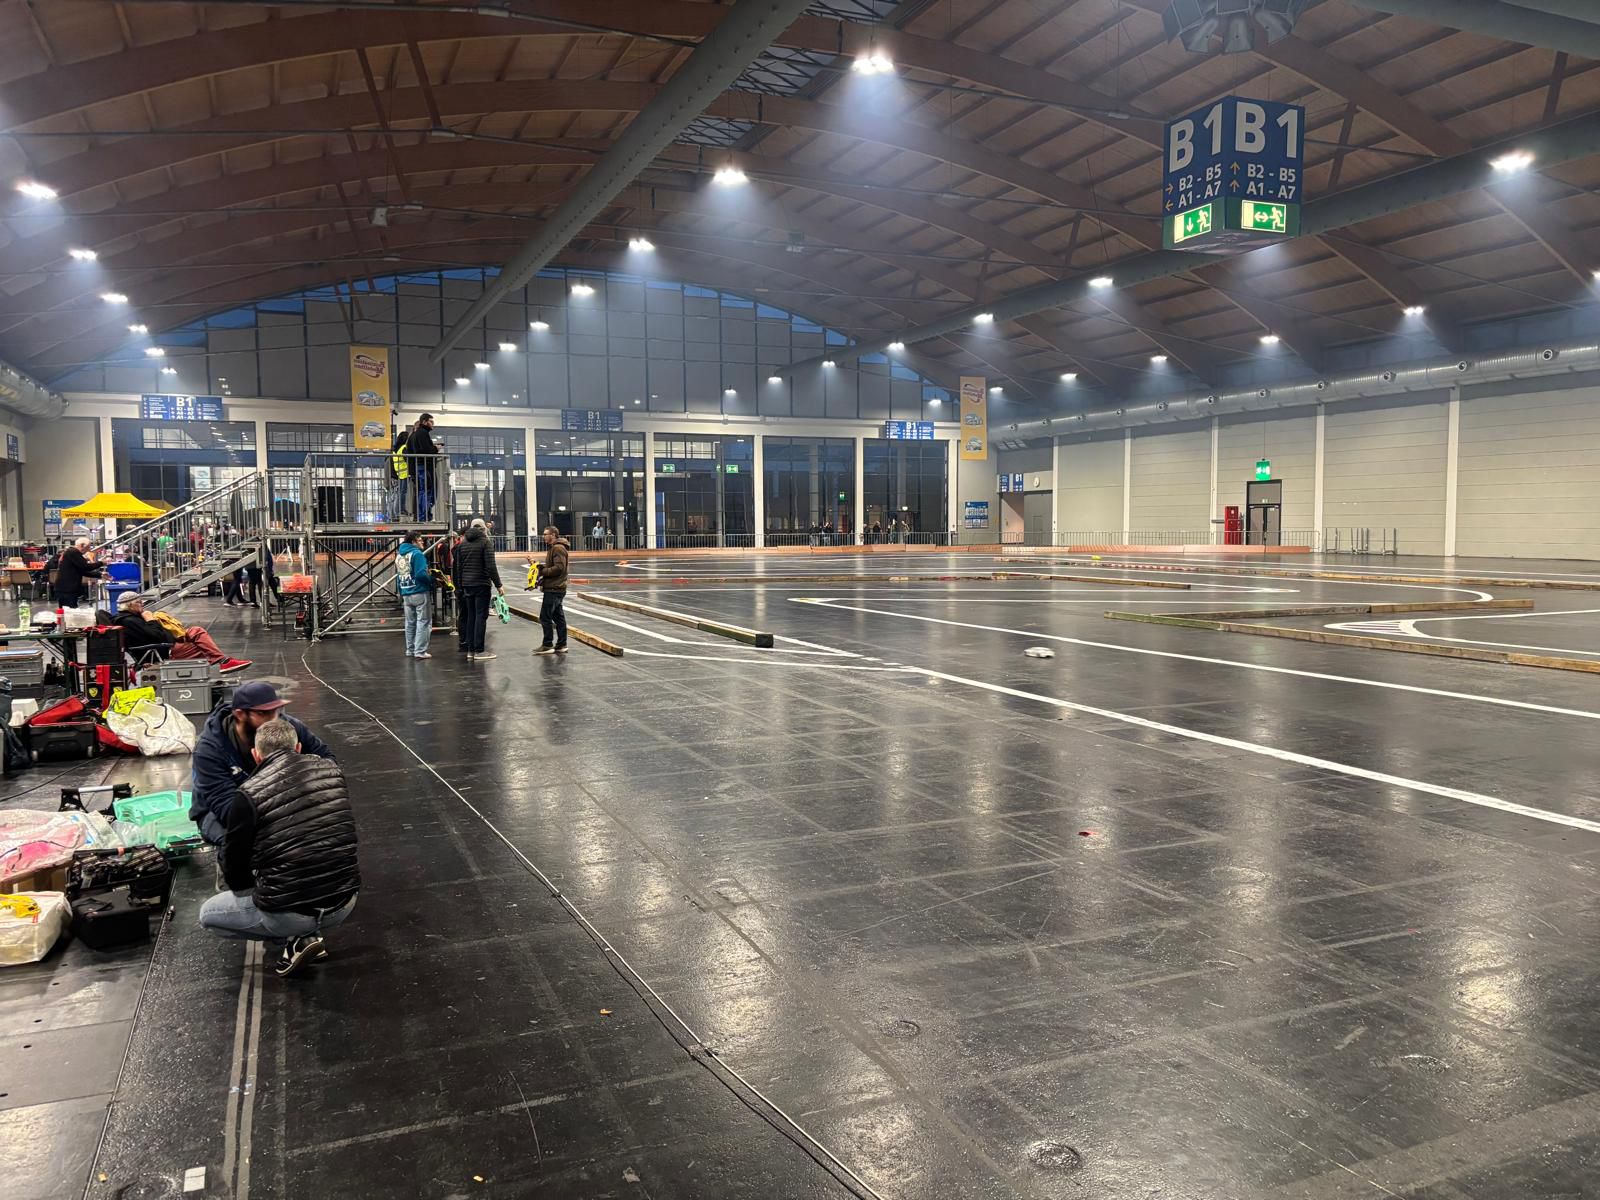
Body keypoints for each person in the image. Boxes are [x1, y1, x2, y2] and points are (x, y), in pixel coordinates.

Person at [197, 716, 359, 978]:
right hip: (343, 903)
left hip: (291, 913)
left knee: (208, 915)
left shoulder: (248, 793)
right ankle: (306, 934)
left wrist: (258, 883)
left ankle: (293, 936)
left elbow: (234, 869)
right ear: (298, 748)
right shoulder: (332, 771)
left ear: (256, 755)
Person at [191, 681, 335, 848]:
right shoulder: (210, 750)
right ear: (240, 714)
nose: (273, 719)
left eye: (275, 711)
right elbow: (227, 810)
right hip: (221, 811)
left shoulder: (288, 727)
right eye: (263, 713)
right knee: (240, 842)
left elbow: (327, 762)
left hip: (278, 802)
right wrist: (279, 825)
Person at [112, 597, 251, 672]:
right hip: (165, 650)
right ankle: (223, 661)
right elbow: (157, 636)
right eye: (138, 602)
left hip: (167, 644)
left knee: (197, 631)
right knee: (204, 647)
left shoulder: (130, 618)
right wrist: (151, 620)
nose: (142, 604)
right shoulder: (130, 621)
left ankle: (223, 661)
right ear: (129, 605)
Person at [451, 517, 503, 660]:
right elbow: (491, 566)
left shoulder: (462, 544)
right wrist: (498, 585)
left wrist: (459, 587)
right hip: (481, 584)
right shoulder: (485, 543)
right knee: (481, 616)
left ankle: (470, 650)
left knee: (471, 616)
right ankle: (479, 650)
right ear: (483, 529)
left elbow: (458, 568)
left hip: (467, 585)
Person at [395, 531, 435, 659]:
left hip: (406, 592)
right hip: (419, 591)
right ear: (413, 542)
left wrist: (401, 592)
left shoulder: (399, 556)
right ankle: (420, 651)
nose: (422, 542)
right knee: (424, 622)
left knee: (410, 623)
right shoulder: (417, 554)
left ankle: (410, 650)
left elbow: (398, 576)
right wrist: (432, 580)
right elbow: (421, 574)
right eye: (420, 540)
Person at [533, 524, 569, 656]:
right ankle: (561, 644)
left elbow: (559, 568)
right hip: (556, 587)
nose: (543, 536)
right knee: (558, 617)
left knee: (545, 617)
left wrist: (543, 571)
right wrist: (539, 567)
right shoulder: (555, 548)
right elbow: (555, 567)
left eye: (545, 534)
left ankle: (548, 644)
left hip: (554, 588)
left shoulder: (558, 548)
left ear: (553, 535)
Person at [404, 413, 439, 521]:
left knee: (422, 492)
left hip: (418, 467)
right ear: (424, 421)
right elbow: (426, 450)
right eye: (431, 421)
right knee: (426, 491)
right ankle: (424, 516)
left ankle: (422, 515)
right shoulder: (423, 433)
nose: (432, 424)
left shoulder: (414, 436)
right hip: (424, 467)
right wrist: (436, 448)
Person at [53, 537, 101, 608]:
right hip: (67, 589)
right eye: (88, 547)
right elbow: (86, 567)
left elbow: (82, 571)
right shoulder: (73, 552)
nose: (89, 550)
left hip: (66, 588)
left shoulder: (72, 552)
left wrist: (100, 575)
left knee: (68, 610)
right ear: (82, 545)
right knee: (69, 610)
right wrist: (101, 563)